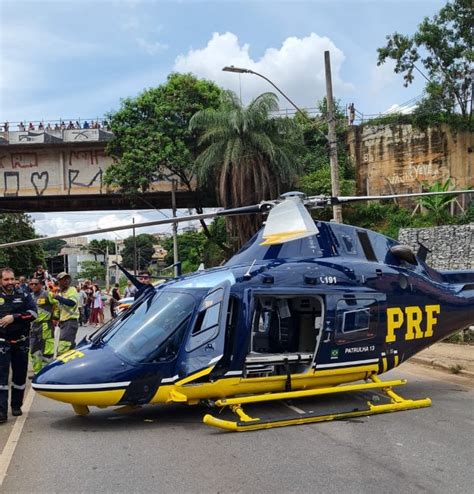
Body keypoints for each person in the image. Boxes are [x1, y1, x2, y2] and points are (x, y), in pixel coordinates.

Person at [0, 268, 37, 422]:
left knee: (20, 377)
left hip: (21, 342)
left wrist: (14, 317)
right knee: (1, 380)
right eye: (6, 279)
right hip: (2, 342)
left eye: (12, 279)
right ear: (0, 280)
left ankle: (16, 406)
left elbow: (33, 314)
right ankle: (1, 412)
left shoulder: (24, 294)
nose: (10, 282)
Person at [29, 278, 59, 374]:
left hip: (46, 326)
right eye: (32, 284)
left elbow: (57, 304)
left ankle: (46, 372)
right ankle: (37, 372)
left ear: (41, 285)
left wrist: (55, 317)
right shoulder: (30, 296)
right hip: (33, 326)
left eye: (36, 284)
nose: (33, 286)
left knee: (47, 350)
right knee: (34, 350)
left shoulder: (47, 294)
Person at [54, 272, 79, 354]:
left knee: (63, 349)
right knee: (70, 348)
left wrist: (58, 297)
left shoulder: (72, 290)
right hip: (64, 323)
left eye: (67, 279)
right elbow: (59, 309)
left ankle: (61, 366)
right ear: (59, 282)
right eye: (63, 279)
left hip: (70, 322)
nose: (66, 281)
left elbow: (72, 303)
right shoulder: (60, 293)